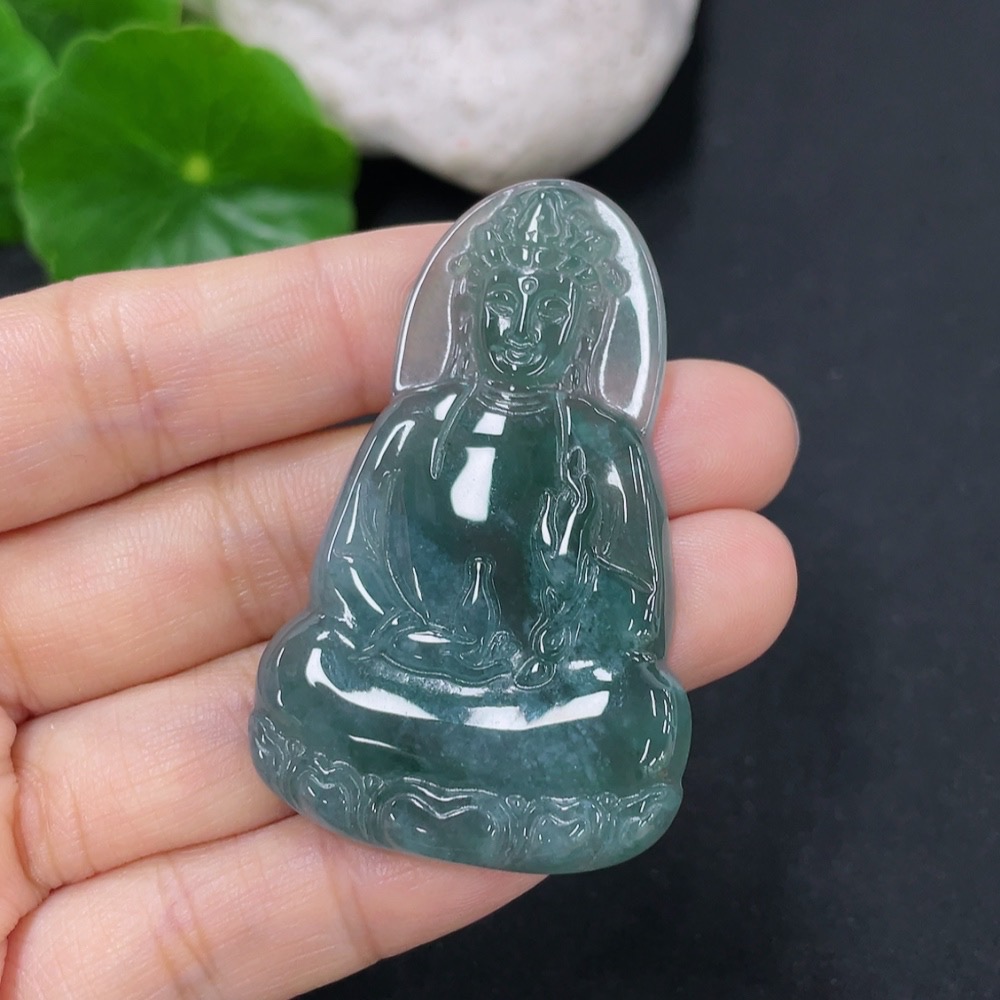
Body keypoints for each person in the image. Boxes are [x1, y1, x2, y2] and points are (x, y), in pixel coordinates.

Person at [0, 223, 798, 997]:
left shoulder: (603, 448)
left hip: (538, 686)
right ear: (467, 312)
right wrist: (407, 633)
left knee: (634, 713)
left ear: (586, 330)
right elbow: (352, 570)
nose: (521, 331)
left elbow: (631, 624)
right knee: (308, 665)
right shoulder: (417, 427)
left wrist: (562, 583)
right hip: (409, 664)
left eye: (549, 312)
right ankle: (478, 790)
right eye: (503, 305)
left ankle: (438, 779)